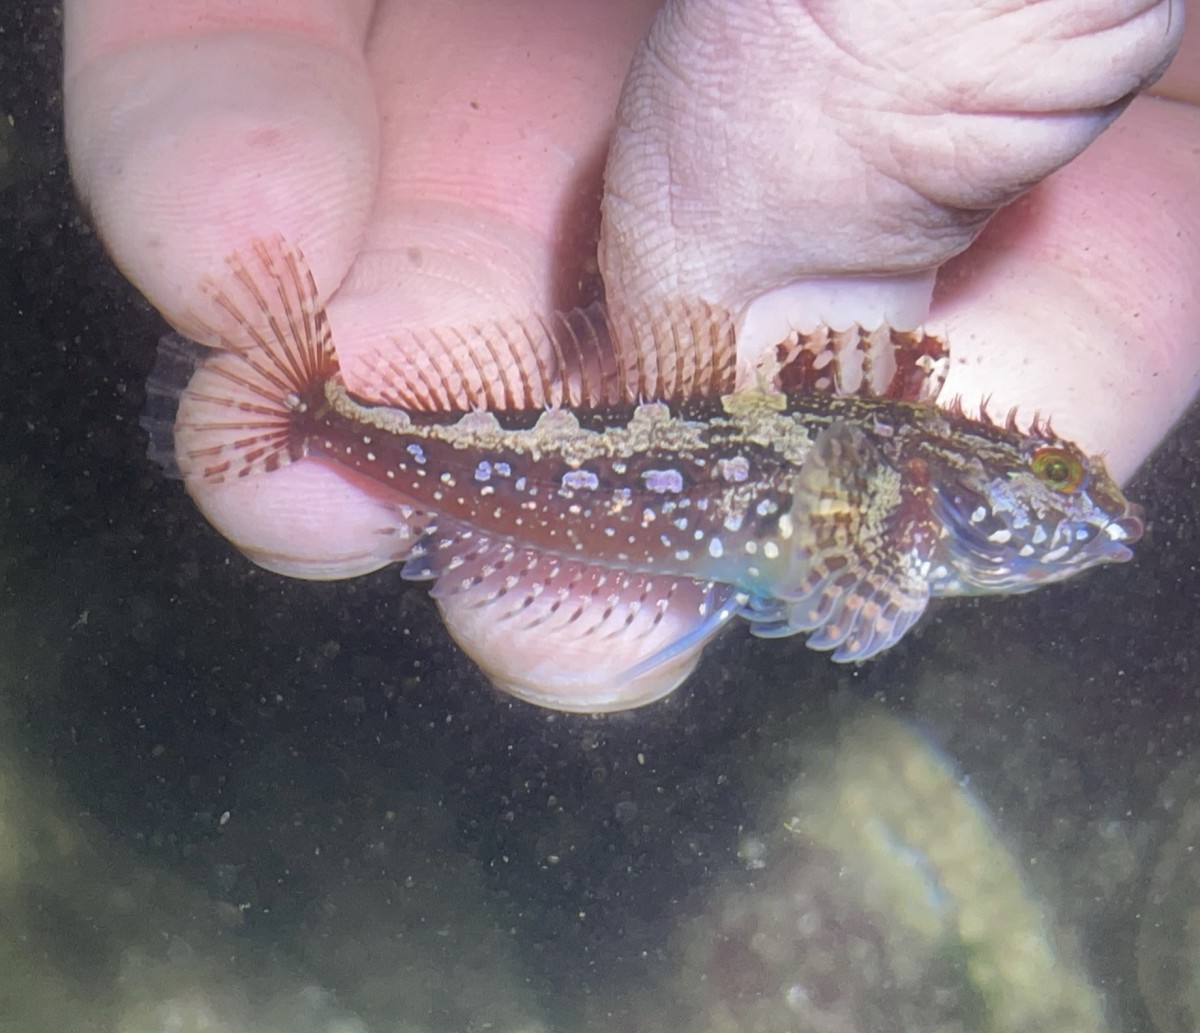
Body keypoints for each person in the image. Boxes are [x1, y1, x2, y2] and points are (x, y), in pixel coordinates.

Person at [63, 0, 1199, 710]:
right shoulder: (895, 478)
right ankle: (313, 413)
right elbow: (823, 565)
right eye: (1060, 474)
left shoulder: (904, 473)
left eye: (1063, 475)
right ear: (962, 479)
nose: (1091, 505)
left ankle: (316, 414)